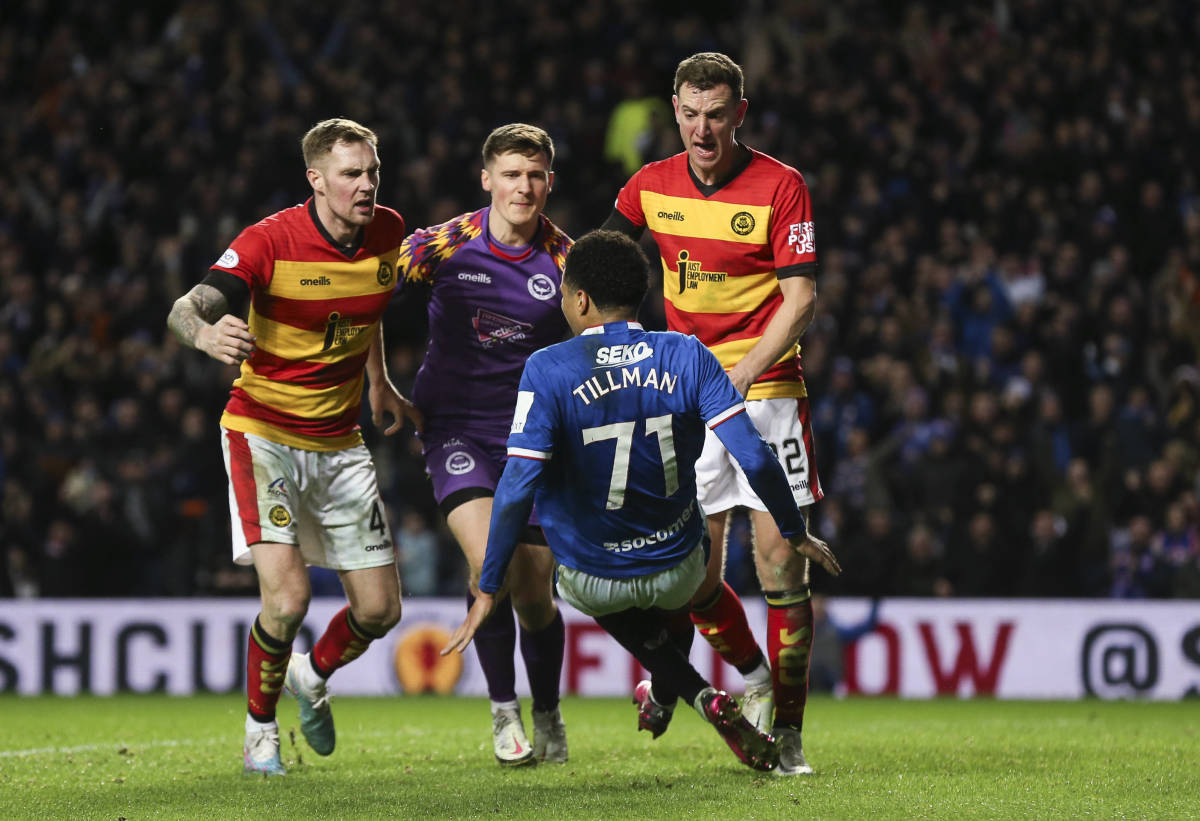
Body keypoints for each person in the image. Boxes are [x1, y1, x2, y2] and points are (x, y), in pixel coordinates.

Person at [442, 230, 841, 774]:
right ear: (643, 291)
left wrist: (490, 587)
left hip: (591, 580)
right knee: (692, 542)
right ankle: (683, 689)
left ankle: (694, 692)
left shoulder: (548, 367)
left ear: (579, 299)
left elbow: (515, 488)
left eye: (563, 292)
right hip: (678, 568)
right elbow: (755, 455)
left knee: (575, 561)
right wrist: (793, 530)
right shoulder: (688, 354)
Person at [167, 118, 420, 776]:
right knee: (288, 598)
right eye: (350, 175)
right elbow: (184, 306)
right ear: (316, 179)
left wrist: (381, 381)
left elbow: (367, 311)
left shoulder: (389, 230)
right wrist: (204, 336)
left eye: (372, 173)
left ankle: (311, 672)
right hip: (264, 434)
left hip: (341, 442)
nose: (366, 186)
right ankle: (259, 730)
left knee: (381, 608)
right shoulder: (268, 241)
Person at [602, 52, 827, 774]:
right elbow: (602, 272)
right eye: (692, 114)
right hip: (686, 393)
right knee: (692, 571)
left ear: (740, 112)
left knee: (778, 561)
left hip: (766, 389)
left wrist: (744, 370)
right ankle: (729, 679)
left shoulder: (780, 186)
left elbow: (801, 300)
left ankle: (786, 731)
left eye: (717, 114)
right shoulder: (649, 187)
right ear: (675, 108)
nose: (703, 129)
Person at [388, 124, 571, 766]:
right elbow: (361, 298)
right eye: (512, 174)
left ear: (550, 181)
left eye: (536, 175)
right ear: (486, 178)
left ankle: (547, 709)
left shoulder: (566, 263)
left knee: (532, 592)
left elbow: (596, 351)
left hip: (535, 438)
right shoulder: (439, 245)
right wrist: (379, 383)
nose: (524, 187)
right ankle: (503, 712)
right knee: (483, 561)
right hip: (456, 429)